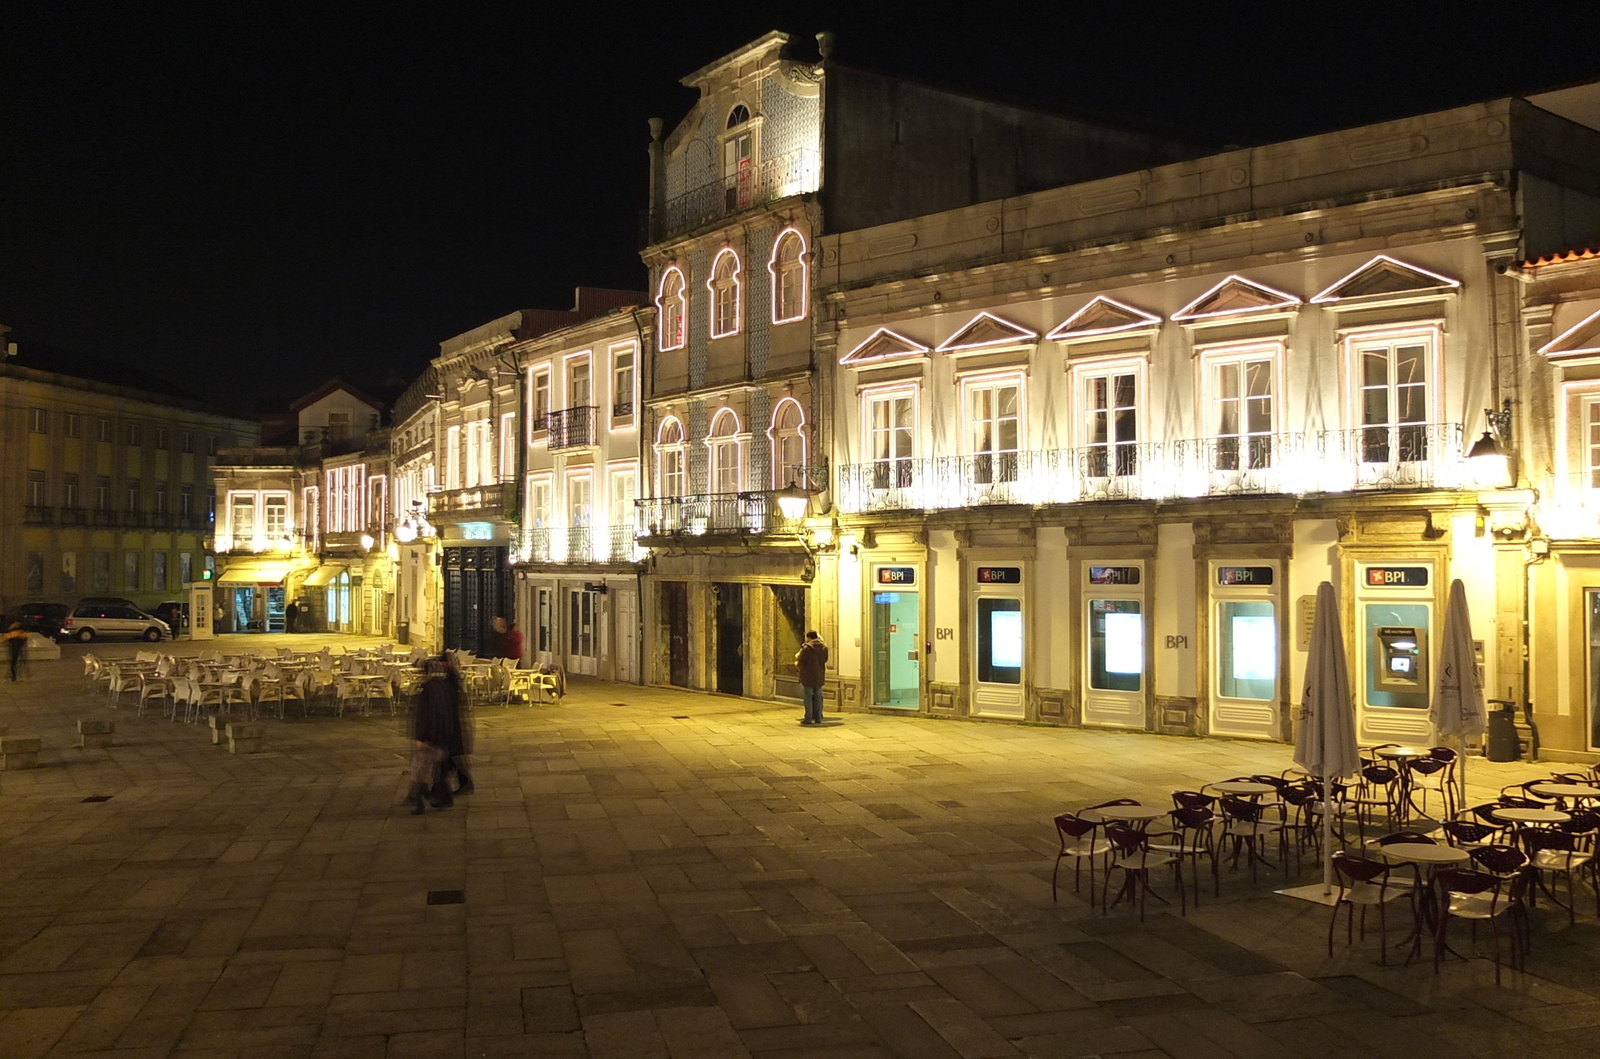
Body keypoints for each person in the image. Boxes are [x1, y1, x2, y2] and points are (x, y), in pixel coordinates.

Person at [796, 629, 828, 726]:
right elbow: (825, 660)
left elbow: (800, 660)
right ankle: (818, 717)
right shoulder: (824, 648)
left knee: (808, 697)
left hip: (808, 676)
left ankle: (808, 718)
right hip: (819, 675)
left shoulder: (807, 648)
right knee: (818, 697)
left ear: (809, 638)